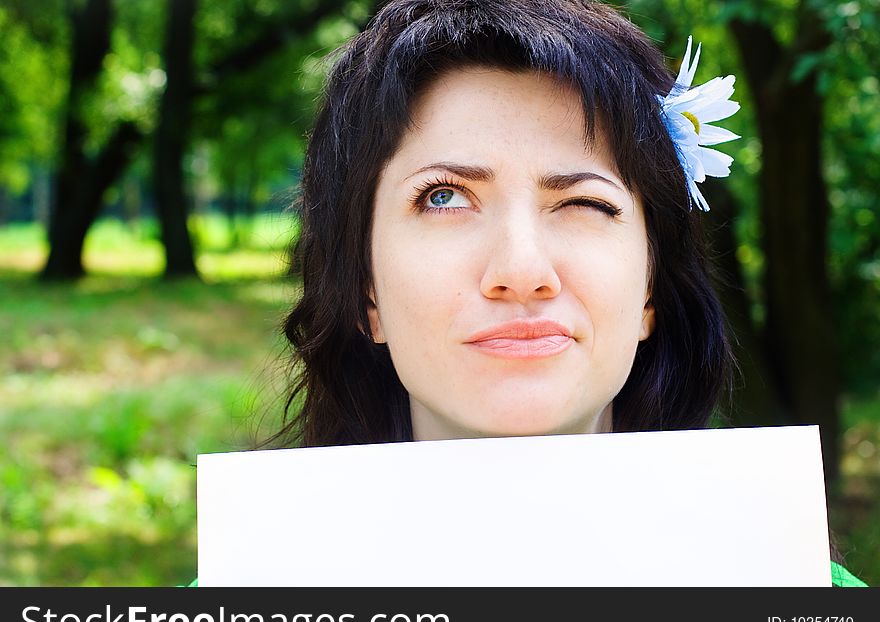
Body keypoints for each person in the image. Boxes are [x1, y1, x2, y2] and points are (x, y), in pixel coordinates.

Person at [193, 0, 867, 586]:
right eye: (444, 196)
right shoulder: (231, 604)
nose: (521, 269)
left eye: (582, 201)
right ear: (365, 290)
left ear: (651, 289)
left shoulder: (808, 597)